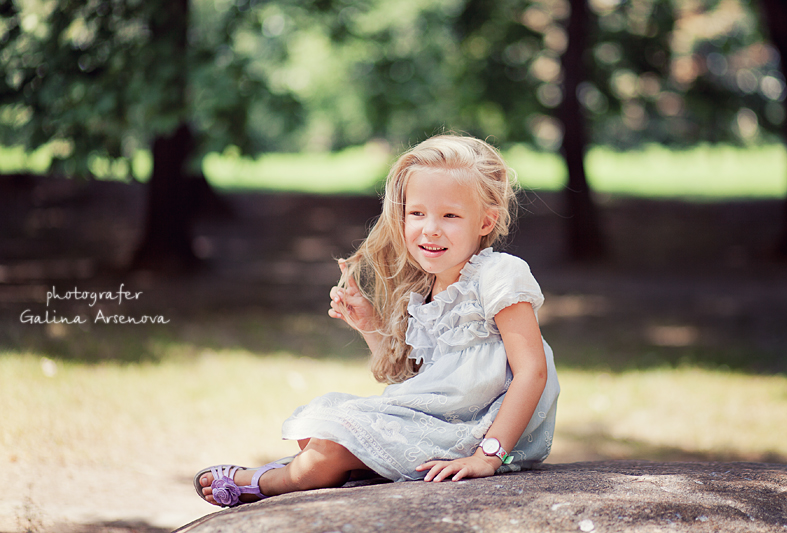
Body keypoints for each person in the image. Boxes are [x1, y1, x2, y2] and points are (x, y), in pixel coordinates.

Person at [195, 134, 559, 507]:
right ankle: (327, 467)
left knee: (328, 448)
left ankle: (265, 483)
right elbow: (425, 380)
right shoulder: (428, 289)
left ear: (486, 221)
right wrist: (369, 324)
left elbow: (532, 371)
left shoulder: (499, 274)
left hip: (483, 430)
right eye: (417, 214)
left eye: (450, 215)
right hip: (442, 417)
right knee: (321, 429)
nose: (430, 228)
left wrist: (488, 456)